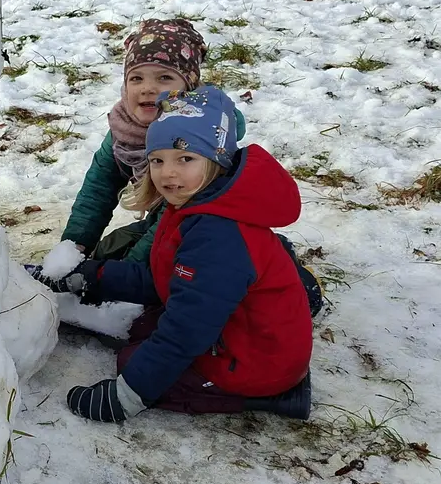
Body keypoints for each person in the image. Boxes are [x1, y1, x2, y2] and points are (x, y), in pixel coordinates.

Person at [48, 86, 314, 422]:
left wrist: (126, 397)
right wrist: (93, 277)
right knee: (144, 329)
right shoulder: (197, 205)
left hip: (259, 362)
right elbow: (164, 277)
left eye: (185, 158)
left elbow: (185, 331)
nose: (168, 172)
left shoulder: (218, 235)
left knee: (136, 362)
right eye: (157, 160)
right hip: (241, 333)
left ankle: (275, 398)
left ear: (217, 160)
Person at [44, 19, 240, 268]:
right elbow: (99, 189)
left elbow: (173, 216)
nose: (147, 88)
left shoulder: (199, 134)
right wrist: (73, 247)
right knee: (110, 249)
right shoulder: (125, 129)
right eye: (136, 78)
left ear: (188, 87)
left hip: (204, 232)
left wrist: (127, 272)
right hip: (164, 225)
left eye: (164, 77)